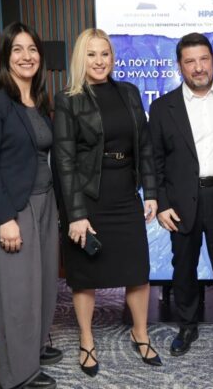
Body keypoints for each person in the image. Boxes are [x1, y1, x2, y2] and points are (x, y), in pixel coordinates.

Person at [52, 28, 162, 377]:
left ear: (113, 58)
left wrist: (151, 192)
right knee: (85, 275)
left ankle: (140, 333)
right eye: (91, 54)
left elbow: (145, 145)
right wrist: (76, 214)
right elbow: (64, 160)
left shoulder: (129, 92)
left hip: (125, 193)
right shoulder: (68, 99)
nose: (99, 61)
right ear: (80, 59)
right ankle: (86, 339)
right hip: (88, 197)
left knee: (137, 270)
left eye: (105, 54)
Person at [149, 32, 213, 367]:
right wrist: (162, 204)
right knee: (183, 269)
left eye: (203, 59)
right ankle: (187, 326)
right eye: (190, 61)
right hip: (180, 202)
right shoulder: (162, 107)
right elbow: (155, 161)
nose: (198, 67)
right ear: (180, 66)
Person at [0, 22, 60, 389]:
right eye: (17, 50)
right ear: (5, 57)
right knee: (16, 293)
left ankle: (33, 349)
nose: (27, 56)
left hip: (45, 203)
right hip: (14, 208)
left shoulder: (39, 101)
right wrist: (5, 217)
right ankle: (18, 374)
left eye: (32, 49)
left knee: (43, 284)